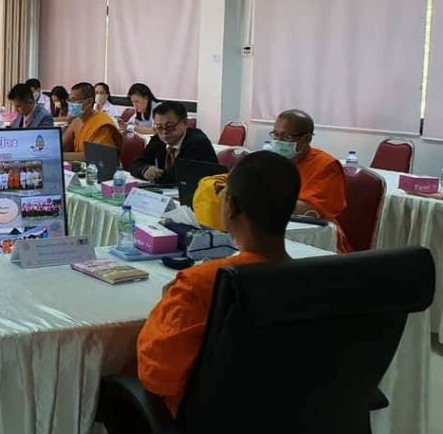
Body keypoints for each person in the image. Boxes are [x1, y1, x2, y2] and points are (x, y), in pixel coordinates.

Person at [137, 151, 300, 418]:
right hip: (289, 418)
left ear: (231, 207)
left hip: (207, 425)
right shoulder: (312, 278)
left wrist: (165, 306)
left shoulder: (201, 283)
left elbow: (158, 376)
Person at [271, 109, 350, 252]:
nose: (278, 141)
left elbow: (310, 208)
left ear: (306, 139)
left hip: (315, 237)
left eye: (286, 137)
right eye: (275, 135)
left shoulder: (326, 165)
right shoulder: (272, 161)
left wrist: (262, 203)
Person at [130, 101, 218, 185]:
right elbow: (136, 164)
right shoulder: (158, 139)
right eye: (159, 127)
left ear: (185, 123)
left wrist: (156, 174)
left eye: (169, 126)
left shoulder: (197, 143)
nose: (164, 131)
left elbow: (180, 176)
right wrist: (145, 170)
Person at [61, 82, 122, 161]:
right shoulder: (76, 121)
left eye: (75, 100)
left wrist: (60, 156)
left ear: (89, 101)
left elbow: (94, 156)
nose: (71, 104)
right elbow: (62, 146)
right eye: (70, 100)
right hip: (80, 166)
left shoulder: (102, 124)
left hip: (102, 167)